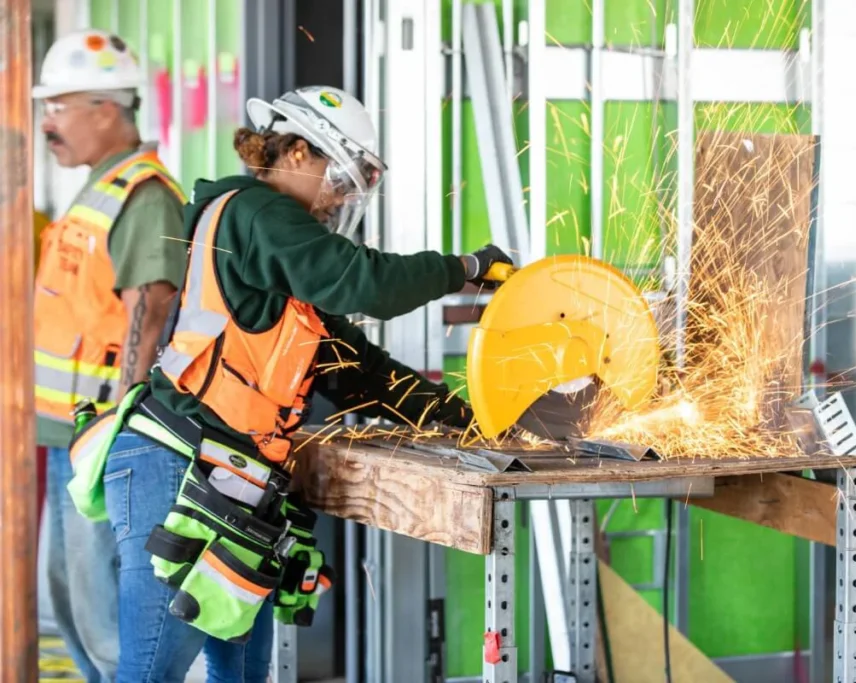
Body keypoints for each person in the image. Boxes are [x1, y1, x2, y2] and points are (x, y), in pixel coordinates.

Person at [84, 84, 514, 682]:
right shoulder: (257, 213)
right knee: (153, 672)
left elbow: (355, 370)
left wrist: (461, 415)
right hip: (179, 465)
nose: (338, 201)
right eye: (337, 178)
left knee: (240, 673)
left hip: (229, 481)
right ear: (293, 153)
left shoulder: (275, 247)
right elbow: (365, 283)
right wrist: (462, 269)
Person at [31, 29, 188, 682]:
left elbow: (147, 317)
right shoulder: (100, 186)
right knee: (70, 601)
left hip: (101, 439)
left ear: (106, 108)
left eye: (60, 106)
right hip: (70, 435)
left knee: (105, 620)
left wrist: (117, 432)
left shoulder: (143, 193)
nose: (49, 123)